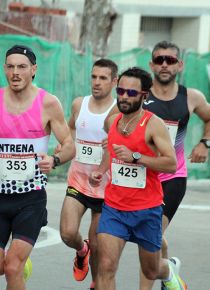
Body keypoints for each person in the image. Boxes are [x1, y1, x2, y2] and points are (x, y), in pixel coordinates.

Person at [0, 44, 75, 290]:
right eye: (11, 67)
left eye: (22, 67)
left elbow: (69, 144)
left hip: (31, 199)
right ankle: (22, 265)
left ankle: (18, 264)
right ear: (4, 69)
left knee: (11, 267)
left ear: (33, 70)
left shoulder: (48, 103)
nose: (15, 72)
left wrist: (55, 160)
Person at [89, 67, 187, 290]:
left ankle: (169, 269)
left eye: (131, 93)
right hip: (114, 208)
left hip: (147, 210)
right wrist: (100, 171)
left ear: (144, 95)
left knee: (151, 270)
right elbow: (112, 152)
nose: (124, 96)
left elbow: (171, 163)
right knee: (106, 266)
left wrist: (136, 157)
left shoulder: (154, 124)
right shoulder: (112, 122)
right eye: (121, 91)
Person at [140, 40, 210, 290]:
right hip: (142, 176)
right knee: (154, 235)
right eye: (159, 60)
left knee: (148, 236)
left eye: (170, 60)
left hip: (172, 177)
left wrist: (205, 143)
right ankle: (169, 269)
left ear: (179, 65)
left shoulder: (191, 97)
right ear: (151, 65)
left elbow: (209, 117)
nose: (164, 65)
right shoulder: (140, 94)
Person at [60, 59, 118, 290]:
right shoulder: (79, 104)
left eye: (103, 78)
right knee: (67, 233)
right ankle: (80, 251)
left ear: (114, 82)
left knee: (98, 243)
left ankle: (96, 283)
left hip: (105, 188)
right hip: (78, 180)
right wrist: (66, 144)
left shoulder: (116, 111)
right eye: (94, 77)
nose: (97, 82)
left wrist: (106, 160)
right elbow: (70, 126)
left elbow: (121, 145)